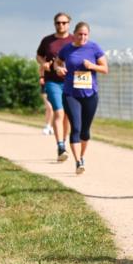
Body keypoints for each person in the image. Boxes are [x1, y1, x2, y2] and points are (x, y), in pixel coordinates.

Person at [53, 22, 107, 174]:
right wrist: (58, 68)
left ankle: (82, 157)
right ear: (74, 34)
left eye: (85, 35)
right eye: (79, 34)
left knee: (85, 130)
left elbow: (105, 69)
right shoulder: (67, 49)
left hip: (90, 94)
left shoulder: (94, 48)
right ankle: (77, 162)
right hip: (71, 94)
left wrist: (92, 66)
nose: (82, 37)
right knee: (75, 127)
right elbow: (57, 62)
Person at [36, 12, 73, 161]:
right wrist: (43, 63)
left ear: (69, 24)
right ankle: (60, 146)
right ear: (54, 24)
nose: (61, 25)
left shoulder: (74, 40)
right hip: (52, 81)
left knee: (68, 115)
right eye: (58, 22)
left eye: (64, 23)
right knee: (58, 112)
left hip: (70, 82)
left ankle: (64, 140)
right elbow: (39, 55)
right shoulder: (47, 40)